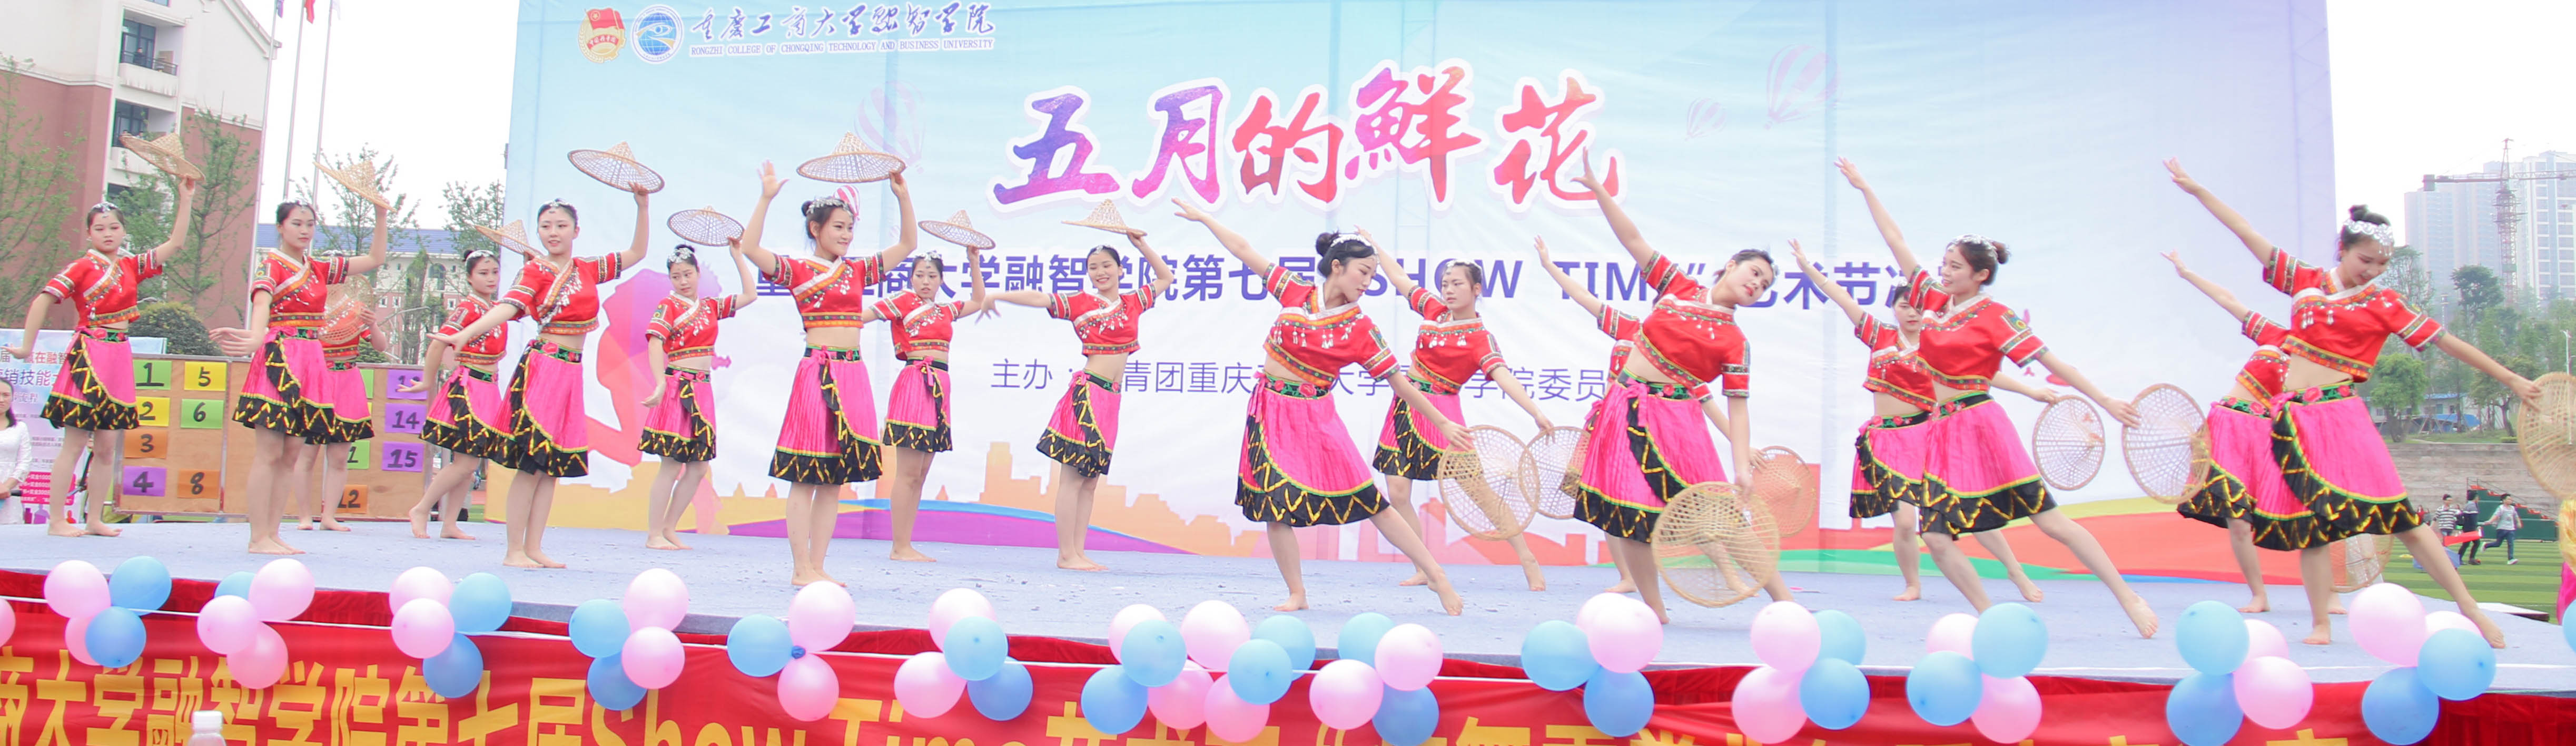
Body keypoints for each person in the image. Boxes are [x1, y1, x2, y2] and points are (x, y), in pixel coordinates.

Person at [2170, 158, 2529, 646]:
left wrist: (2509, 378)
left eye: (2382, 265)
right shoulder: (2304, 281)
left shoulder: (2384, 303)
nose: (2373, 272)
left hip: (2339, 415)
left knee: (2401, 517)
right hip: (2292, 419)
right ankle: (2320, 624)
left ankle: (2470, 609)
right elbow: (2245, 231)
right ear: (2342, 250)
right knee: (2312, 529)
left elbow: (2445, 341)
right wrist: (2197, 190)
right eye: (2366, 261)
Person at [1841, 158, 2159, 636]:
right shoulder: (1933, 301)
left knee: (2051, 523)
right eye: (1944, 264)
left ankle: (2127, 596)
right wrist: (1865, 188)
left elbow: (2054, 362)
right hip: (1942, 431)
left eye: (1955, 267)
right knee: (1937, 538)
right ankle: (1991, 619)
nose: (1944, 272)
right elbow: (1895, 240)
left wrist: (2105, 400)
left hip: (1980, 423)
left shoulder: (1996, 316)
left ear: (1981, 275)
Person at [1175, 198, 1465, 615]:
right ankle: (1297, 594)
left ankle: (1436, 575)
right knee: (1274, 507)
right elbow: (1243, 249)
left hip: (1316, 416)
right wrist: (1205, 218)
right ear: (1337, 267)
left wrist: (1441, 421)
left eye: (1373, 276)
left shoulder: (1360, 327)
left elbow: (1398, 383)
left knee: (1371, 501)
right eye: (1363, 272)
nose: (1368, 282)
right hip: (1270, 412)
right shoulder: (1294, 292)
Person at [1566, 158, 1795, 623]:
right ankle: (1655, 612)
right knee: (1629, 516)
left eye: (1764, 285)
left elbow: (1738, 410)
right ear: (1730, 267)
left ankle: (1787, 605)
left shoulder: (1735, 341)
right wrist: (1598, 191)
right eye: (1753, 272)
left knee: (1720, 518)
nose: (1756, 284)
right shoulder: (1676, 287)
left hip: (1677, 422)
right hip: (1622, 409)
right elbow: (1633, 240)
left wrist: (1741, 467)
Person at [1791, 243, 2062, 604]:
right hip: (1887, 442)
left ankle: (2015, 571)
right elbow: (1842, 298)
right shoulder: (1879, 335)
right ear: (1895, 308)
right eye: (1905, 306)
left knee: (1972, 507)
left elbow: (1986, 376)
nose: (1912, 313)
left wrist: (2030, 390)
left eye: (1918, 307)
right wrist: (1809, 269)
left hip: (1930, 435)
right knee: (1905, 522)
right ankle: (1913, 584)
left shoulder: (1939, 340)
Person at [436, 186, 654, 568]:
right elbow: (507, 307)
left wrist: (642, 206)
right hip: (544, 368)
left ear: (576, 231)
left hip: (570, 371)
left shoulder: (587, 269)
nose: (553, 232)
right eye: (546, 226)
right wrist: (465, 334)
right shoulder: (535, 270)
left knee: (551, 466)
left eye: (561, 225)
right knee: (530, 463)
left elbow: (637, 253)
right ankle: (513, 550)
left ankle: (534, 547)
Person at [735, 162, 919, 586]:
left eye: (850, 228)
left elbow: (908, 244)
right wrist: (766, 197)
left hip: (852, 375)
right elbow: (750, 247)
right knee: (806, 476)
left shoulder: (856, 271)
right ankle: (800, 567)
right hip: (818, 373)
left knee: (835, 478)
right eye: (838, 227)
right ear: (815, 229)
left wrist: (902, 196)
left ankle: (818, 565)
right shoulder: (799, 271)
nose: (846, 235)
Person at [1366, 228, 1556, 591]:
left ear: (1476, 289)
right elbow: (1401, 279)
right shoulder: (1434, 311)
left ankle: (1526, 557)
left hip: (1443, 413)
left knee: (1478, 492)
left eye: (1456, 284)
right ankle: (1424, 566)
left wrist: (1535, 412)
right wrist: (1376, 247)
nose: (1448, 290)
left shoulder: (1480, 338)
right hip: (1405, 406)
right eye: (1445, 284)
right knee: (1398, 492)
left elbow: (1503, 376)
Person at [976, 232, 1173, 571]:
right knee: (1072, 478)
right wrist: (998, 295)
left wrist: (1141, 245)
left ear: (1120, 270)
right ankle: (1066, 554)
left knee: (1090, 481)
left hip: (1111, 399)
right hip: (1087, 396)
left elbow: (1166, 278)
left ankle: (1078, 552)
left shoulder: (1133, 302)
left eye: (1107, 266)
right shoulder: (1081, 303)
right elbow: (1040, 298)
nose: (1100, 272)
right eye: (1093, 268)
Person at [14, 180, 197, 537]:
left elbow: (175, 244)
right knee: (74, 443)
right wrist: (26, 346)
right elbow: (43, 300)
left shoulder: (130, 265)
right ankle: (57, 520)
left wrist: (186, 199)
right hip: (90, 353)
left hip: (119, 354)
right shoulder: (82, 267)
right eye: (100, 229)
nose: (108, 234)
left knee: (108, 445)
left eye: (114, 227)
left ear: (124, 231)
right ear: (89, 234)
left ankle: (95, 518)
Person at [212, 197, 389, 554]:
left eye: (310, 224)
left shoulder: (318, 268)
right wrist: (257, 335)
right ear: (281, 227)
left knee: (291, 454)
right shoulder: (272, 265)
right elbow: (262, 302)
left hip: (311, 358)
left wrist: (381, 215)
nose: (304, 230)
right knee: (269, 452)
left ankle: (273, 532)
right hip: (281, 356)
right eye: (297, 223)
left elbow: (375, 259)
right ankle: (257, 537)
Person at [867, 248, 990, 562]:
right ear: (911, 278)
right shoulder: (903, 302)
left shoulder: (945, 311)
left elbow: (978, 301)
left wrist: (974, 261)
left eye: (932, 276)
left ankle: (905, 543)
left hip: (939, 387)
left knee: (920, 475)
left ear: (940, 281)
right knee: (908, 473)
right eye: (920, 275)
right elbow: (863, 317)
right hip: (915, 384)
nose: (925, 281)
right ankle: (899, 546)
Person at [637, 242, 758, 550]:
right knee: (670, 463)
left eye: (688, 274)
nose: (683, 281)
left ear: (698, 273)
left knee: (699, 466)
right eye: (676, 276)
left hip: (702, 389)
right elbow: (655, 342)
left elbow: (750, 295)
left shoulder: (710, 307)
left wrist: (737, 257)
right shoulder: (669, 306)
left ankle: (669, 527)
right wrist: (659, 383)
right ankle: (654, 534)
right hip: (678, 387)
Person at [403, 249, 511, 541]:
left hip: (488, 388)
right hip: (469, 386)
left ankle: (449, 523)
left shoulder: (497, 308)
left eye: (494, 272)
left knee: (471, 462)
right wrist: (427, 381)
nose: (491, 278)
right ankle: (422, 508)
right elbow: (439, 343)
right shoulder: (468, 308)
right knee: (465, 462)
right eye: (483, 273)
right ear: (469, 278)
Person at [289, 294, 391, 532]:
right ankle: (304, 516)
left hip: (347, 382)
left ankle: (329, 517)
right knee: (307, 455)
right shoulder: (309, 308)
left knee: (339, 457)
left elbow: (381, 347)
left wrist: (373, 324)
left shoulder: (355, 308)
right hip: (316, 381)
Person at [0, 380, 30, 524]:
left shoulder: (20, 428)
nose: (1, 400)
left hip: (10, 493)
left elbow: (25, 463)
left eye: (6, 395)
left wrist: (6, 487)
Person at [2481, 495, 2531, 565]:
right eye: (2508, 499)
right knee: (2498, 544)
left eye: (2511, 499)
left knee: (2511, 544)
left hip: (2511, 529)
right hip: (2502, 528)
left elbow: (2516, 516)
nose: (2510, 501)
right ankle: (2486, 546)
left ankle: (2511, 559)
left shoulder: (2513, 508)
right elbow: (2496, 515)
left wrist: (2519, 523)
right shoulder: (2501, 508)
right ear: (2504, 500)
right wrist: (2490, 521)